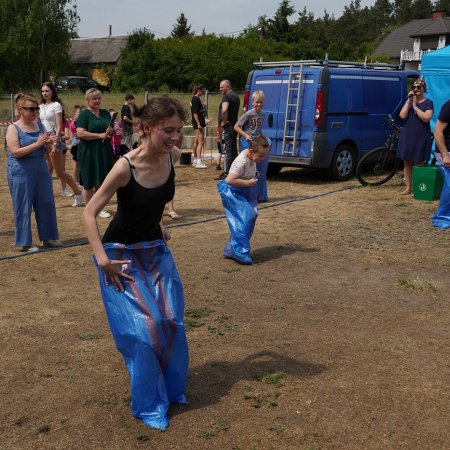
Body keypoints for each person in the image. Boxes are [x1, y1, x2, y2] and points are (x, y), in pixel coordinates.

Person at [82, 96, 189, 430]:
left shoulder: (171, 156)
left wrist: (156, 223)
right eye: (168, 130)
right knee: (146, 330)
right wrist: (103, 260)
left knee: (171, 321)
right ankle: (148, 403)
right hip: (120, 255)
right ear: (145, 128)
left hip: (154, 251)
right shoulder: (125, 166)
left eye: (178, 130)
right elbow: (89, 213)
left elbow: (152, 201)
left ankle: (170, 390)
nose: (175, 138)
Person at [6, 93, 62, 252]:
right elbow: (16, 152)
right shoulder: (13, 128)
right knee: (23, 206)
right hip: (21, 171)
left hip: (40, 169)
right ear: (20, 110)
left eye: (36, 109)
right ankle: (25, 242)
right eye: (30, 109)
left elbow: (46, 148)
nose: (34, 112)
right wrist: (38, 144)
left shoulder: (40, 126)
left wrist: (51, 144)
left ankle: (49, 237)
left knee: (47, 203)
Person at [218, 136, 270, 265]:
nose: (262, 159)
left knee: (251, 216)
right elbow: (229, 180)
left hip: (245, 190)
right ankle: (238, 251)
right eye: (261, 156)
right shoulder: (241, 161)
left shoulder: (252, 158)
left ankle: (233, 248)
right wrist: (247, 183)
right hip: (233, 192)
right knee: (246, 217)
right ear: (251, 151)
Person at [40, 82, 83, 206]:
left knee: (59, 172)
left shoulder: (56, 105)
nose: (44, 93)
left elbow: (59, 125)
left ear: (52, 91)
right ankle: (45, 196)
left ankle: (77, 192)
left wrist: (55, 142)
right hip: (44, 138)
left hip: (54, 137)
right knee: (46, 170)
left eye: (47, 91)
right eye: (43, 91)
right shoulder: (41, 106)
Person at [76, 88, 114, 218]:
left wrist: (110, 131)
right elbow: (80, 133)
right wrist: (99, 135)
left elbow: (110, 131)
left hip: (103, 151)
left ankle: (99, 207)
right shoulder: (84, 114)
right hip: (89, 152)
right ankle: (89, 209)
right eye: (94, 99)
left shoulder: (104, 113)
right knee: (89, 181)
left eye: (99, 98)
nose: (97, 101)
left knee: (102, 181)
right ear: (88, 100)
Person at [397, 79, 434, 195]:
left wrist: (416, 107)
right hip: (408, 134)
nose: (416, 89)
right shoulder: (410, 101)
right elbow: (402, 116)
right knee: (407, 162)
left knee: (419, 162)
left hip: (421, 135)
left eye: (418, 87)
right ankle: (408, 187)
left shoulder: (428, 102)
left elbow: (426, 118)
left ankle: (419, 187)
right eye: (414, 87)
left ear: (424, 89)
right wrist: (409, 101)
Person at [234, 90, 269, 202]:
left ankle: (259, 195)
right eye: (257, 102)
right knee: (247, 169)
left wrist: (264, 138)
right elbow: (237, 127)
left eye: (261, 102)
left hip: (257, 143)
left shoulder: (262, 114)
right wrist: (246, 135)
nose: (259, 104)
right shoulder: (248, 114)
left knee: (258, 170)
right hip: (247, 143)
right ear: (252, 102)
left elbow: (258, 129)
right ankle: (245, 194)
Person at [217, 79, 240, 179]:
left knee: (227, 149)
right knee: (233, 149)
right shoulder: (236, 96)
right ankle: (235, 170)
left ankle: (227, 172)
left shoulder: (226, 96)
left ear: (228, 87)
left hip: (228, 126)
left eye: (222, 87)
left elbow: (224, 109)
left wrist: (223, 121)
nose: (220, 89)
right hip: (234, 124)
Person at [190, 83, 207, 169]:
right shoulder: (196, 99)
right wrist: (199, 123)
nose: (203, 92)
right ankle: (199, 161)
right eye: (202, 91)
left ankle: (196, 159)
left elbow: (197, 110)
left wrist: (203, 106)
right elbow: (195, 112)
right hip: (198, 123)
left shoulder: (194, 99)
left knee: (196, 141)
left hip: (196, 122)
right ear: (198, 90)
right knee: (201, 142)